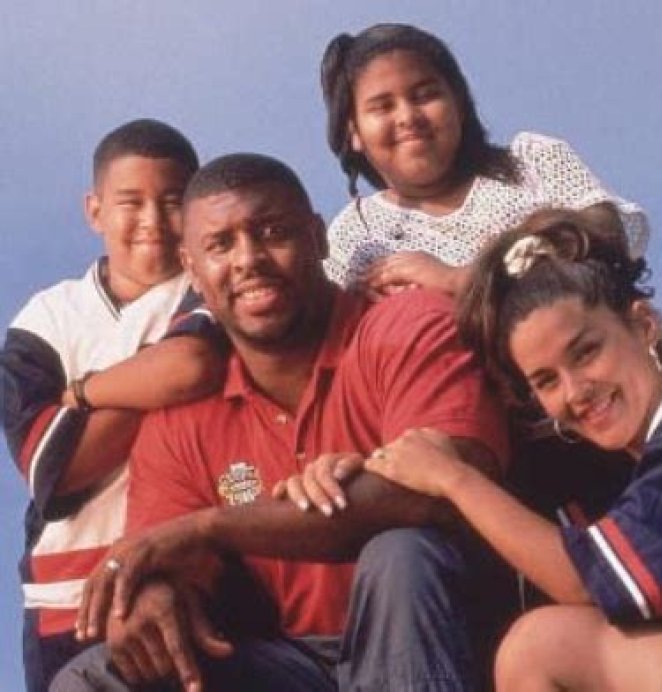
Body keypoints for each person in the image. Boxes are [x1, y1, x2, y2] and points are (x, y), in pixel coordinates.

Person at [52, 153, 510, 691]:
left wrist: (210, 524)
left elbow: (442, 490)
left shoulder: (406, 324)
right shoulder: (181, 416)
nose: (248, 259)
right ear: (192, 268)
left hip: (446, 642)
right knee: (92, 679)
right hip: (293, 662)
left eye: (272, 232)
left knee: (402, 553)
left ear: (318, 237)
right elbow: (164, 555)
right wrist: (155, 593)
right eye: (220, 245)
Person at [321, 207, 662, 691]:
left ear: (644, 325)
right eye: (546, 380)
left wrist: (453, 477)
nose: (575, 392)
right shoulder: (618, 456)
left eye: (587, 351)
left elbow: (585, 582)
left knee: (540, 646)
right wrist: (359, 472)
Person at [0, 119, 222, 692]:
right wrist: (155, 383)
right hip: (65, 596)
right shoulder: (47, 318)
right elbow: (54, 470)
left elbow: (191, 366)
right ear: (95, 211)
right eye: (131, 202)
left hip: (187, 576)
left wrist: (84, 393)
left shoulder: (211, 286)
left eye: (172, 201)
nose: (152, 220)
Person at [320, 22, 649, 298]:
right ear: (353, 132)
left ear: (460, 105)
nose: (408, 117)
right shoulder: (355, 236)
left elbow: (608, 234)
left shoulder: (532, 160)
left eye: (425, 95)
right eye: (383, 106)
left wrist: (462, 279)